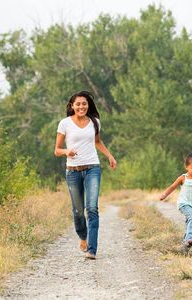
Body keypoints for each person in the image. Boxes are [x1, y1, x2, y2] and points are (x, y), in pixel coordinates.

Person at [54, 90, 116, 260]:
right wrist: (67, 151)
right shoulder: (64, 123)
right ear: (72, 106)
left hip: (92, 169)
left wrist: (109, 155)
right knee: (78, 211)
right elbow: (57, 150)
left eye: (84, 103)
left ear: (88, 105)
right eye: (78, 104)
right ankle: (83, 236)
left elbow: (97, 142)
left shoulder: (95, 122)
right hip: (73, 171)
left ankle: (92, 249)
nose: (81, 106)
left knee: (92, 208)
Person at [159, 151, 192, 251]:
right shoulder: (183, 178)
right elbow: (172, 187)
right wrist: (164, 194)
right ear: (186, 167)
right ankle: (190, 238)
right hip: (184, 203)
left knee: (189, 221)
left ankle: (185, 245)